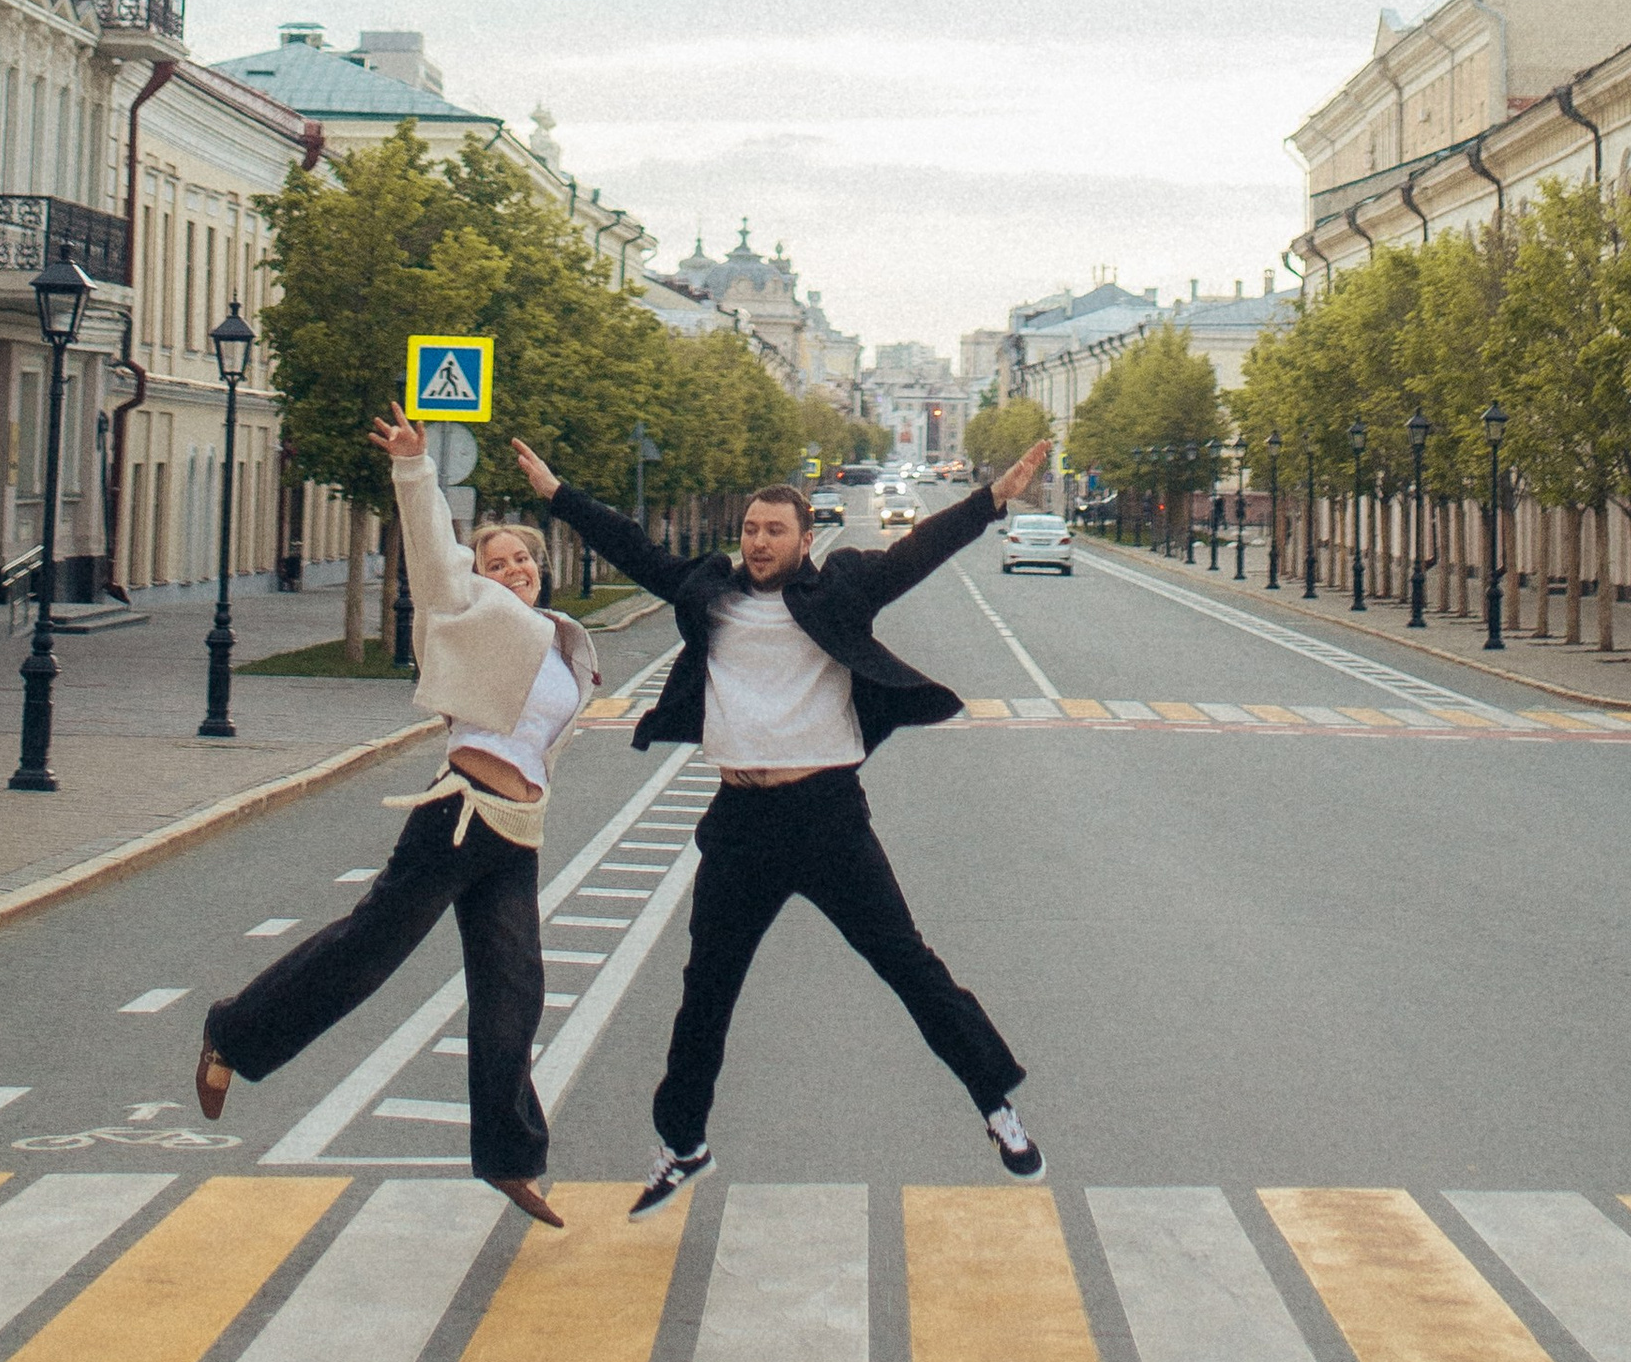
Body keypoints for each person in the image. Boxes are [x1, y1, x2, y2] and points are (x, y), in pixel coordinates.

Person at [513, 430, 1056, 1215]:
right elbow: (631, 548)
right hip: (741, 819)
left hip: (827, 815)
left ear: (806, 540)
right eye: (750, 531)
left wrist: (992, 499)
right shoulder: (710, 593)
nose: (758, 542)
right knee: (707, 990)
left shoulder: (840, 589)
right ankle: (684, 1143)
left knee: (907, 963)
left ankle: (997, 1106)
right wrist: (558, 494)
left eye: (774, 531)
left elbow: (918, 552)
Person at [189, 410, 597, 1222]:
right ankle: (234, 1032)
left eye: (522, 557)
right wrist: (415, 473)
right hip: (455, 817)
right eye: (496, 559)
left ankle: (511, 1158)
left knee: (514, 988)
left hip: (517, 833)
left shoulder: (569, 641)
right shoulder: (472, 609)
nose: (511, 566)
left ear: (541, 570)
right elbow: (435, 558)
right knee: (368, 950)